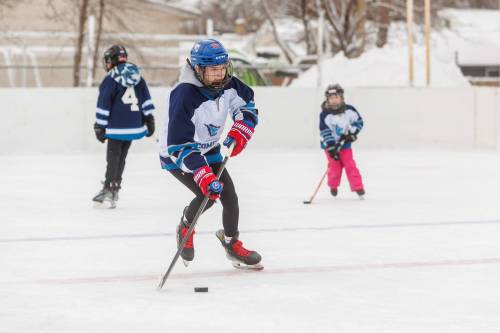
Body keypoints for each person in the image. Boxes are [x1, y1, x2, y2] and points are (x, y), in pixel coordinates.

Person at [159, 39, 262, 268]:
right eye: (212, 71)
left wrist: (242, 126)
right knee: (208, 196)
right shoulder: (184, 95)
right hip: (178, 154)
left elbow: (246, 105)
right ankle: (186, 225)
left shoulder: (228, 85)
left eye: (221, 69)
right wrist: (202, 173)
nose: (219, 75)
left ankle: (231, 243)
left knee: (230, 198)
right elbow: (178, 143)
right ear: (198, 69)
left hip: (209, 149)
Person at [92, 45, 156, 208]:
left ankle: (108, 189)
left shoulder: (111, 78)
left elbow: (104, 103)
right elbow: (145, 98)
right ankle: (115, 186)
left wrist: (100, 125)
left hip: (116, 128)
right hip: (134, 126)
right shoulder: (138, 77)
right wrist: (149, 119)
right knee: (121, 158)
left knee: (113, 159)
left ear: (111, 61)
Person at [319, 83, 365, 198]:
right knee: (335, 167)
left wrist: (352, 134)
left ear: (341, 98)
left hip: (345, 145)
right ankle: (333, 185)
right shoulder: (325, 114)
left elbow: (359, 122)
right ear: (327, 99)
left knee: (350, 165)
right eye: (331, 98)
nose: (334, 100)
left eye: (336, 97)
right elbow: (325, 131)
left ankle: (358, 187)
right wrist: (331, 147)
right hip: (330, 146)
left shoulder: (350, 110)